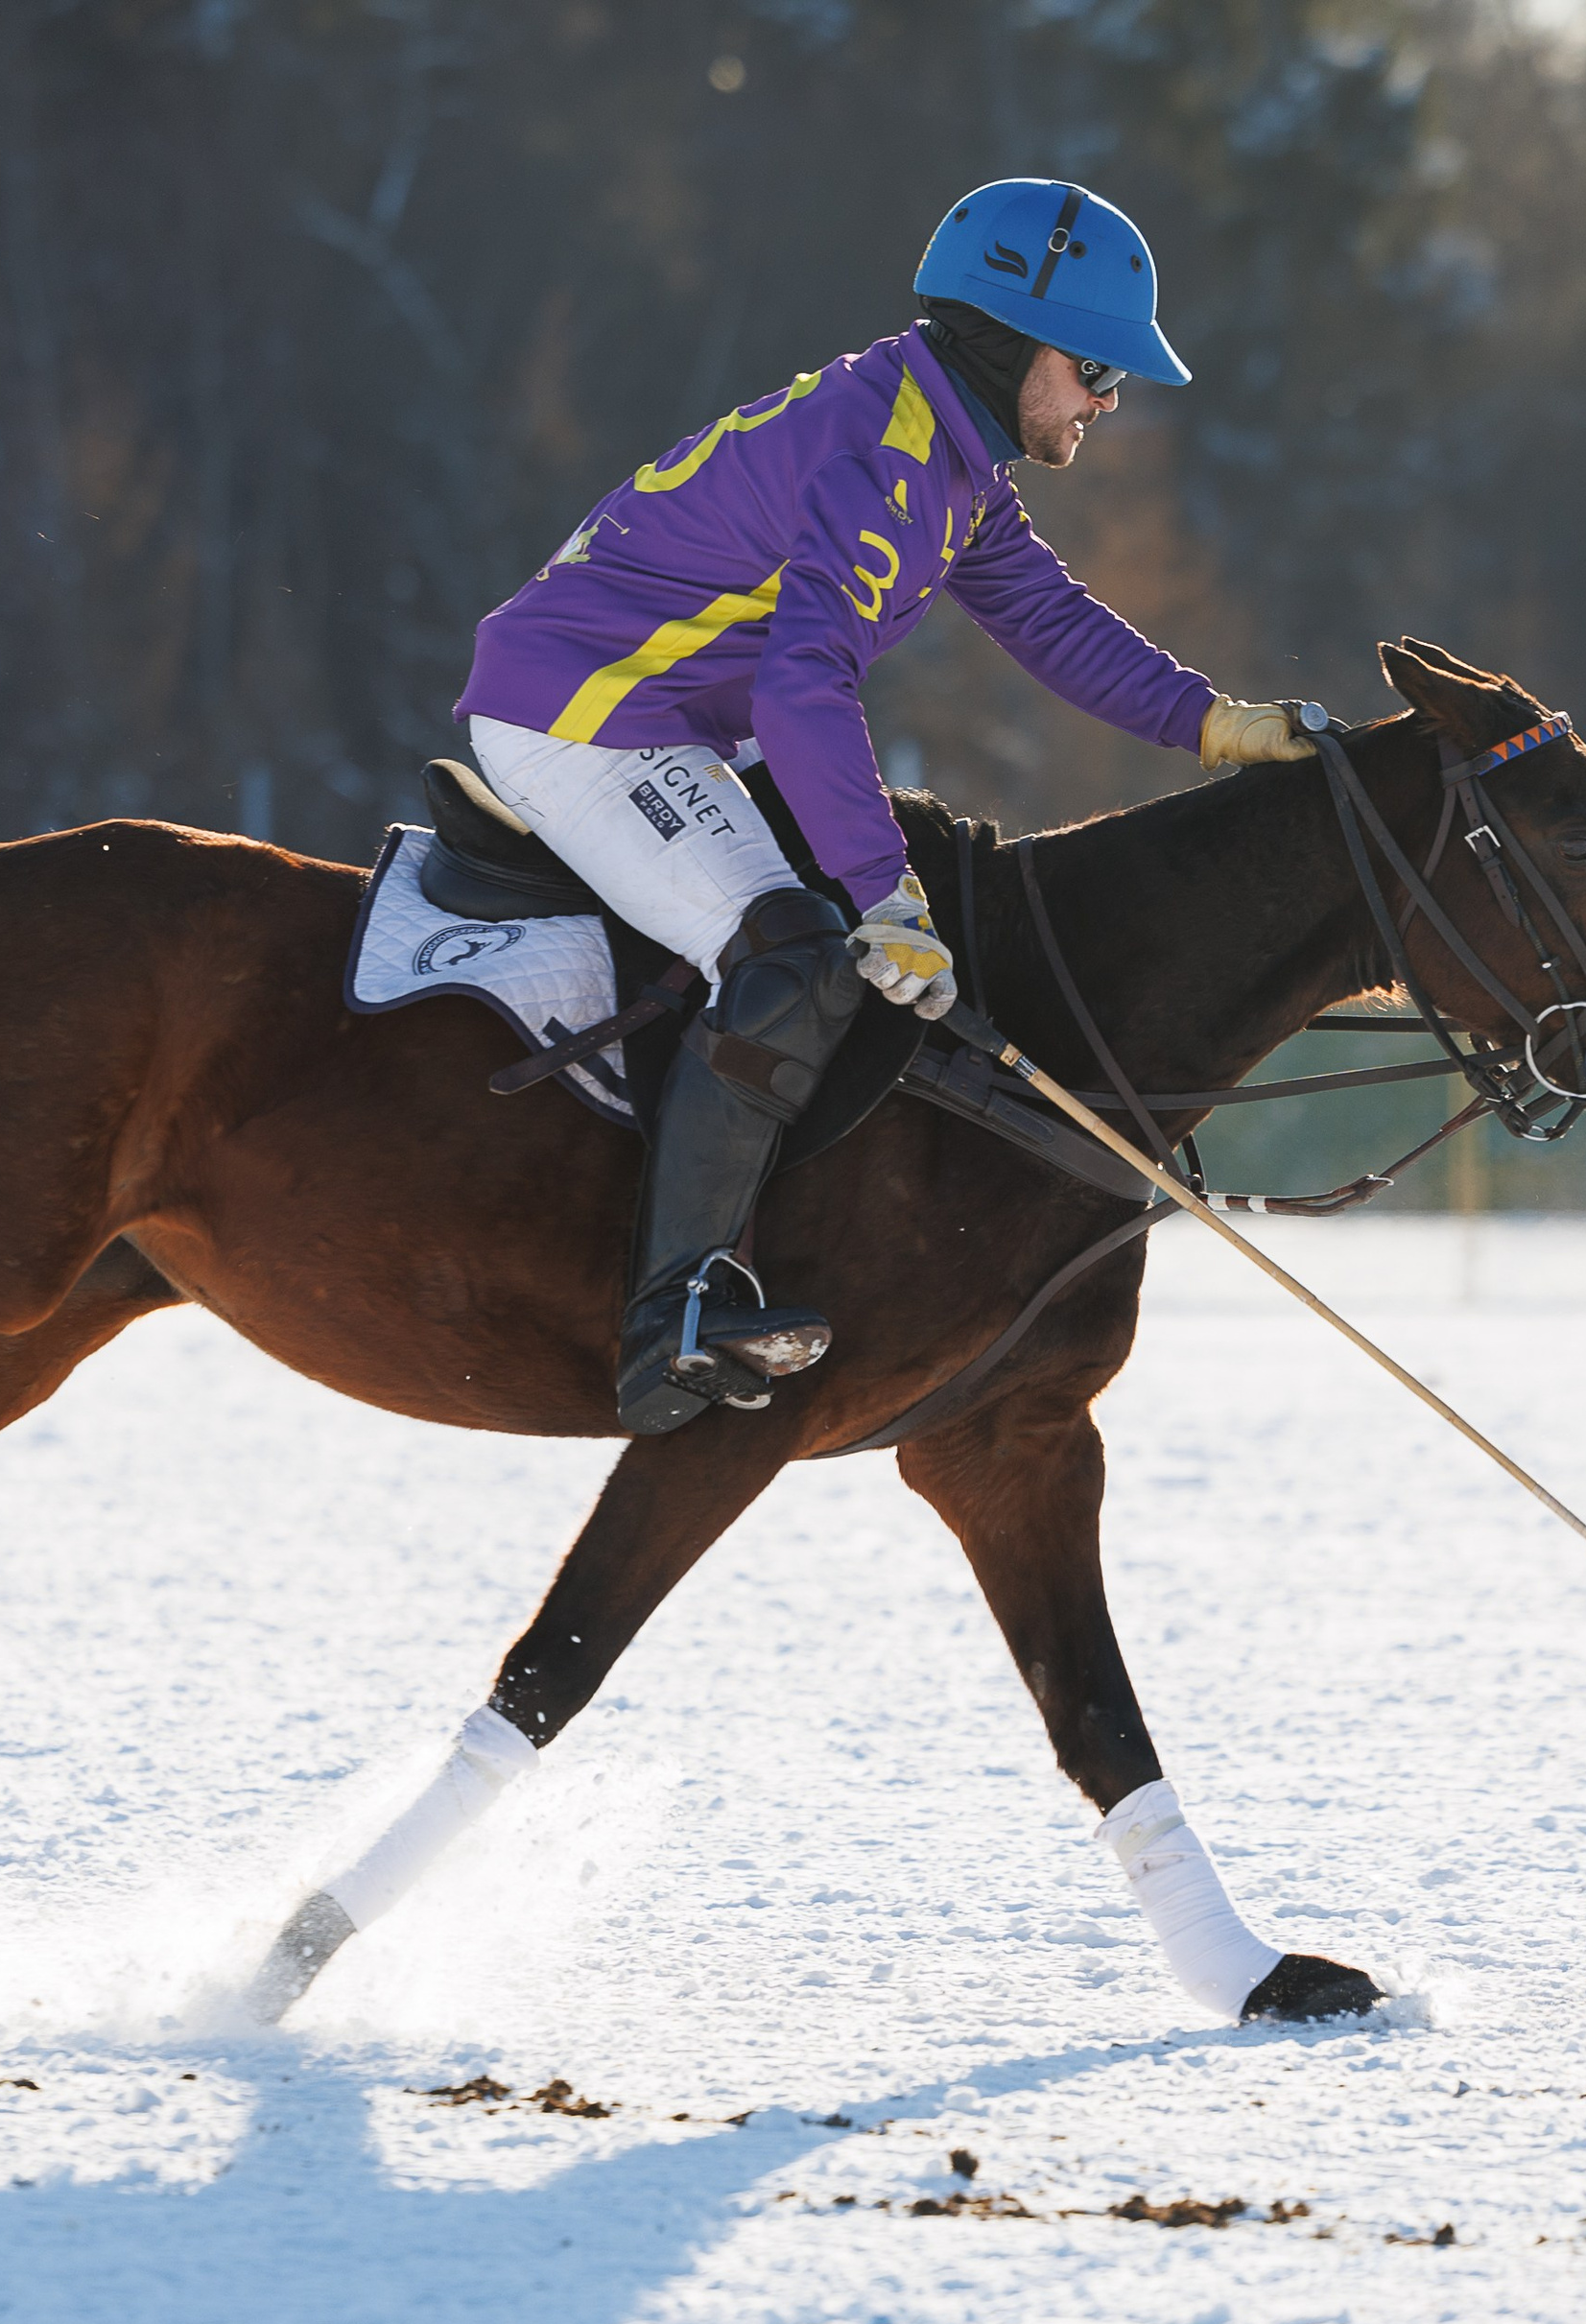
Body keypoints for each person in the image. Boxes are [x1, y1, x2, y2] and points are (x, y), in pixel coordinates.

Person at [455, 178, 1314, 1435]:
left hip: (663, 723)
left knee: (831, 934)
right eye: (1094, 369)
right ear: (1012, 341)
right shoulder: (889, 463)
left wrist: (1214, 724)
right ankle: (672, 1313)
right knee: (796, 956)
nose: (1106, 401)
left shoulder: (946, 457)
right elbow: (808, 682)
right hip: (579, 719)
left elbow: (1051, 622)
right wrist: (876, 890)